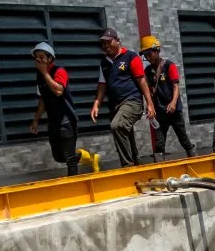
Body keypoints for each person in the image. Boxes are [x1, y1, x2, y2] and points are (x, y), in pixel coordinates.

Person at [29, 42, 99, 176]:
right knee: (58, 157)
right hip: (53, 122)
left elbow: (58, 91)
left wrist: (45, 73)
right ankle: (88, 157)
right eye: (36, 57)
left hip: (67, 121)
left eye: (42, 57)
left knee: (69, 159)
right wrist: (36, 120)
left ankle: (74, 188)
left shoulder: (59, 71)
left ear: (50, 59)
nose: (38, 60)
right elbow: (42, 100)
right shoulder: (40, 77)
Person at [91, 28, 155, 167]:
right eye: (103, 43)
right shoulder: (104, 63)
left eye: (108, 42)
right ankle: (136, 163)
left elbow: (141, 81)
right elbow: (102, 85)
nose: (106, 46)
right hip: (116, 105)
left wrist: (150, 104)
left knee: (118, 125)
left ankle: (127, 166)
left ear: (117, 41)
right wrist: (97, 104)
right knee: (126, 132)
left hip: (133, 101)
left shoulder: (131, 57)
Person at [141, 35, 195, 159]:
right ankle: (160, 167)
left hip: (174, 110)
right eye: (145, 55)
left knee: (183, 137)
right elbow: (148, 91)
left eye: (149, 54)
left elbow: (176, 87)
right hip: (160, 112)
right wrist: (149, 107)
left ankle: (193, 157)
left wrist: (173, 102)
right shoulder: (148, 71)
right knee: (159, 142)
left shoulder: (169, 66)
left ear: (156, 51)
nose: (148, 58)